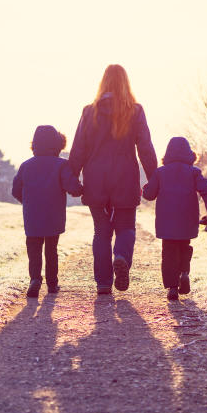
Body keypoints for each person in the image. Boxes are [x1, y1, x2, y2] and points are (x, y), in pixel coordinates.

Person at [68, 64, 158, 294]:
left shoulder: (90, 111)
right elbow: (145, 148)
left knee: (101, 231)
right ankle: (121, 257)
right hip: (125, 178)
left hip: (95, 179)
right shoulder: (135, 111)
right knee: (126, 226)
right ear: (126, 83)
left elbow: (78, 148)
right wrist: (154, 179)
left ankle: (104, 283)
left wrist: (72, 179)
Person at [142, 136, 207, 300]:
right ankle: (184, 272)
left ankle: (172, 288)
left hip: (166, 220)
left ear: (167, 153)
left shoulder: (160, 172)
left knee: (168, 251)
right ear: (189, 153)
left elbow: (149, 195)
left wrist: (145, 188)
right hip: (187, 219)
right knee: (184, 246)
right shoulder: (194, 172)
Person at [11, 125, 83, 298]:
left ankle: (35, 279)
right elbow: (72, 187)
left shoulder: (26, 166)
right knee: (52, 249)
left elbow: (15, 190)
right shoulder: (61, 165)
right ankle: (52, 283)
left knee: (33, 249)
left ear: (34, 144)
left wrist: (28, 202)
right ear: (58, 144)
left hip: (32, 215)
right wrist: (81, 189)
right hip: (54, 215)